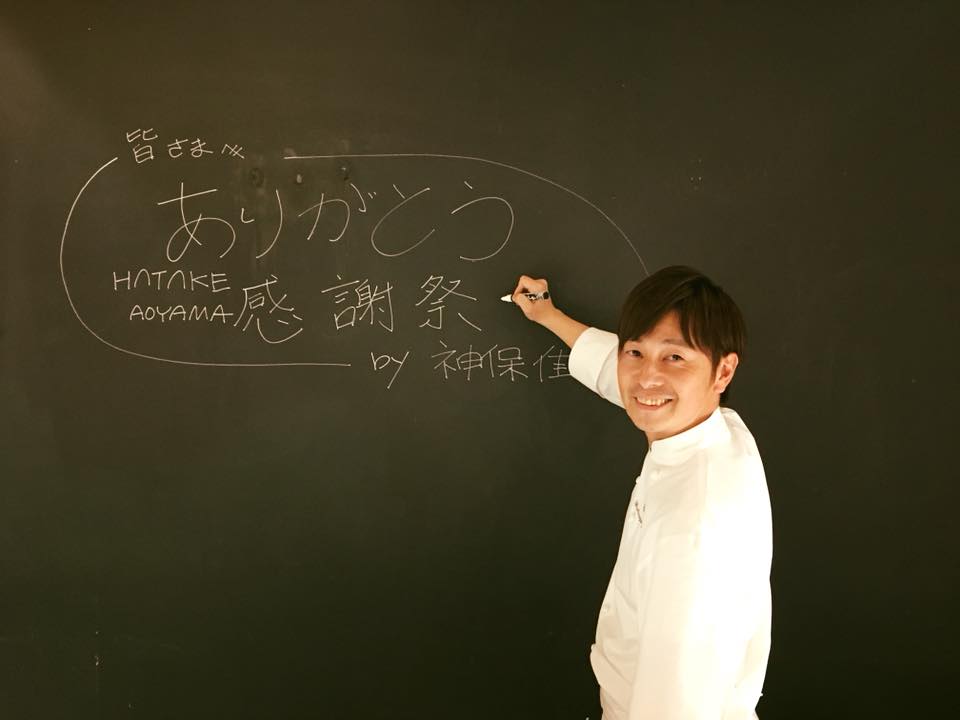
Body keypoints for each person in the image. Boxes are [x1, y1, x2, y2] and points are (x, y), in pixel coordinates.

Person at [511, 266, 772, 720]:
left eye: (674, 357)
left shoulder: (691, 531)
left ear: (722, 371)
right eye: (635, 352)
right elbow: (626, 377)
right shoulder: (713, 428)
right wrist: (548, 316)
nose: (647, 377)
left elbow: (674, 707)